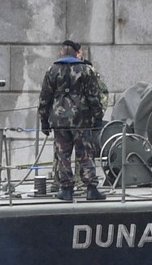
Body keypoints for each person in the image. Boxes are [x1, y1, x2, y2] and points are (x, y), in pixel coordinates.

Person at [38, 39, 106, 202]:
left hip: (59, 119)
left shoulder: (52, 70)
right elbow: (93, 96)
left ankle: (66, 189)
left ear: (62, 52)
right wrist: (98, 117)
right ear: (76, 53)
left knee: (63, 154)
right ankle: (91, 188)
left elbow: (45, 98)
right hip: (81, 119)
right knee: (85, 153)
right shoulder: (86, 70)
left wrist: (44, 120)